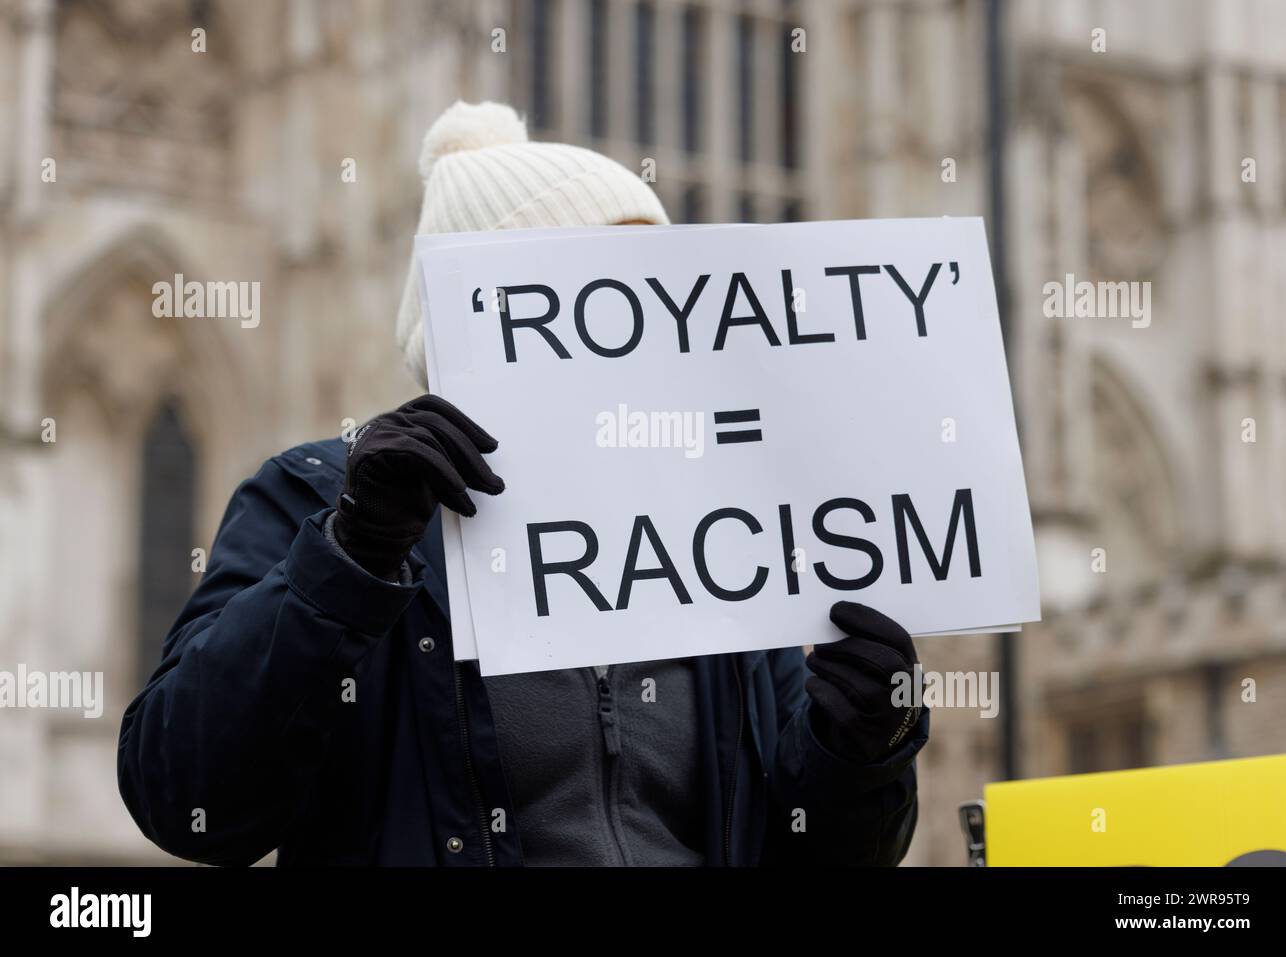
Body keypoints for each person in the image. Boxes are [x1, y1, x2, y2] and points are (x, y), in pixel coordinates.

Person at [117, 101, 929, 867]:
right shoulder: (318, 496)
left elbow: (811, 851)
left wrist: (858, 747)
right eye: (607, 296)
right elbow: (184, 798)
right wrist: (350, 554)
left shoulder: (711, 533)